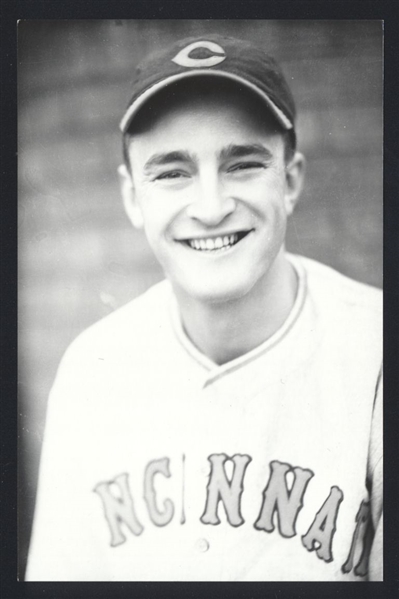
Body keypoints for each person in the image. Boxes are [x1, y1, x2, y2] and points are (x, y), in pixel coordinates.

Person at [26, 34, 382, 582]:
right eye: (172, 172)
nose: (212, 207)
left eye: (242, 164)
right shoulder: (91, 371)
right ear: (131, 198)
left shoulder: (375, 351)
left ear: (289, 181)